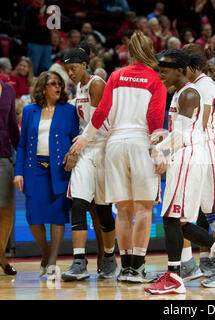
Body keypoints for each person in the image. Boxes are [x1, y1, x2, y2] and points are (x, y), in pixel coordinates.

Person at [144, 49, 215, 295]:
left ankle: (175, 276)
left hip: (188, 157)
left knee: (173, 218)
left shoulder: (190, 93)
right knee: (179, 220)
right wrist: (163, 139)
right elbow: (180, 131)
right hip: (186, 153)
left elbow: (183, 135)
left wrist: (157, 149)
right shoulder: (182, 92)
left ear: (180, 69)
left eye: (164, 71)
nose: (160, 75)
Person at [69, 31, 166, 284]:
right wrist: (158, 150)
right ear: (150, 51)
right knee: (144, 208)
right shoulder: (155, 80)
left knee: (123, 210)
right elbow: (155, 119)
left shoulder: (115, 75)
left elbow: (101, 112)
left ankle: (125, 268)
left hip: (113, 145)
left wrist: (84, 138)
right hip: (140, 142)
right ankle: (138, 267)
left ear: (130, 52)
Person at [14, 71, 79, 280]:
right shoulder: (29, 111)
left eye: (59, 83)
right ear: (43, 88)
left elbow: (76, 138)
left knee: (58, 216)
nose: (58, 87)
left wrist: (72, 155)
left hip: (59, 170)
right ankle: (45, 254)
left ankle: (52, 262)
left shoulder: (69, 111)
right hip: (34, 169)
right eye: (53, 83)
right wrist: (18, 172)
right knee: (33, 217)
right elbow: (22, 145)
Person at [61, 45, 117, 281]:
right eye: (67, 70)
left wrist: (78, 146)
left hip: (102, 148)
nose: (70, 73)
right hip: (85, 148)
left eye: (73, 68)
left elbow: (96, 121)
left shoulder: (96, 83)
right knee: (78, 204)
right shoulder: (79, 87)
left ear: (84, 65)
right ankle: (79, 261)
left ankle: (110, 258)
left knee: (103, 210)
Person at [181, 44, 215, 287]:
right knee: (184, 213)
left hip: (209, 149)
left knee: (214, 212)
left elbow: (199, 126)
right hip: (200, 148)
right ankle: (186, 264)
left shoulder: (204, 86)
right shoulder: (195, 85)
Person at [0, 80, 20, 276]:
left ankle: (1, 255)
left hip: (3, 156)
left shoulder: (8, 90)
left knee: (6, 210)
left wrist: (22, 156)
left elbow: (12, 125)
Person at [24, 0, 52, 75]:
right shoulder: (30, 9)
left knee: (46, 67)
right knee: (33, 68)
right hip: (34, 42)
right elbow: (29, 26)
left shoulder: (48, 9)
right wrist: (40, 14)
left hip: (46, 43)